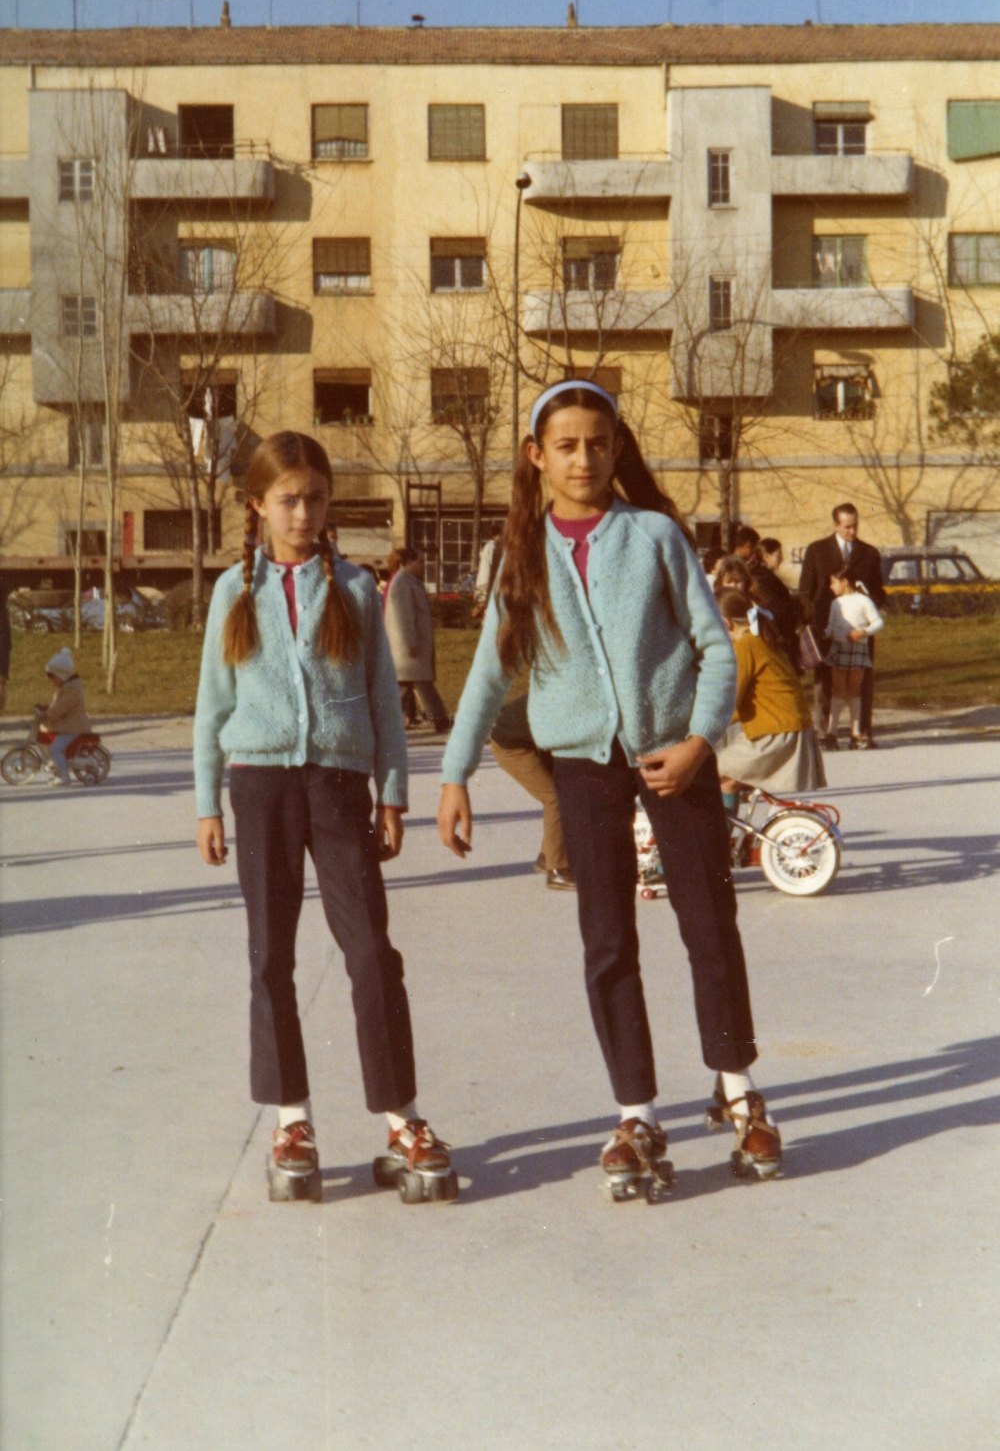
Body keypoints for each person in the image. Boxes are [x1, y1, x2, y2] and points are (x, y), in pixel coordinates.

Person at [437, 378, 782, 1189]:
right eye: (566, 445)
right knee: (607, 938)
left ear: (617, 447)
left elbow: (716, 648)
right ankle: (637, 1110)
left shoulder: (654, 535)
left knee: (708, 922)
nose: (583, 458)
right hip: (584, 767)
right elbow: (491, 674)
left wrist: (699, 743)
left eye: (598, 442)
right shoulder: (521, 557)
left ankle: (739, 1092)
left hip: (675, 758)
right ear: (537, 457)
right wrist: (454, 776)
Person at [194, 431, 453, 1203]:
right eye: (287, 499)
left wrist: (395, 789)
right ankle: (291, 1116)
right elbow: (213, 701)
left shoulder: (356, 585)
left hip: (339, 787)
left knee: (371, 951)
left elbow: (380, 694)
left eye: (314, 498)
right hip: (261, 784)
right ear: (258, 505)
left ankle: (400, 1114)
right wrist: (208, 799)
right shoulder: (231, 591)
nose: (302, 513)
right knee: (270, 954)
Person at [714, 590, 825, 808]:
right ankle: (726, 839)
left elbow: (732, 696)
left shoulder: (746, 645)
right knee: (727, 781)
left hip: (775, 732)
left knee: (707, 772)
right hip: (787, 727)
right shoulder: (762, 638)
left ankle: (719, 840)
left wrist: (702, 727)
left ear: (725, 623)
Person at [799, 503, 885, 748]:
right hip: (828, 625)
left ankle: (861, 733)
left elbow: (879, 591)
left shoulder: (869, 553)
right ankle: (826, 733)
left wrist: (868, 607)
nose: (852, 531)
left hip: (860, 631)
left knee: (862, 681)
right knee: (826, 683)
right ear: (836, 525)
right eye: (847, 526)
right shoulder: (817, 550)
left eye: (855, 525)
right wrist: (813, 621)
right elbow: (806, 589)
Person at [489, 693, 574, 891]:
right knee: (554, 798)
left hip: (529, 741)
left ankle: (548, 856)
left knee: (564, 792)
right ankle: (557, 871)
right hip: (511, 748)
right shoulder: (565, 696)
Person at [383, 547, 450, 733]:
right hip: (409, 646)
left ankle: (394, 721)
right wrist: (410, 643)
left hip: (412, 644)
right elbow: (402, 616)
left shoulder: (409, 581)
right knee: (421, 682)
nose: (423, 565)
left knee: (405, 685)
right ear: (406, 563)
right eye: (419, 561)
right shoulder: (402, 582)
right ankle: (440, 719)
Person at [822, 566, 885, 750]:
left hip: (857, 649)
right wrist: (821, 635)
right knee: (838, 691)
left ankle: (856, 733)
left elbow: (878, 622)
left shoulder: (863, 600)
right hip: (839, 649)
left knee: (854, 691)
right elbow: (831, 627)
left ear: (844, 582)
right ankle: (831, 733)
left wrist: (863, 632)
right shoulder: (836, 603)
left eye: (833, 583)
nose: (831, 587)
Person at [40, 646, 91, 786]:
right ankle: (57, 768)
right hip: (67, 725)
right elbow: (57, 704)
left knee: (55, 748)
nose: (52, 680)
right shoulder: (65, 687)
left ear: (61, 675)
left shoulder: (73, 690)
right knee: (45, 737)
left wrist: (49, 714)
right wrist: (46, 708)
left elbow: (62, 707)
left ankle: (64, 777)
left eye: (53, 677)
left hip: (74, 728)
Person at [472, 522, 504, 620]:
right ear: (496, 535)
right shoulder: (492, 547)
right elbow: (493, 566)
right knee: (486, 602)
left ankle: (481, 618)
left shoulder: (488, 546)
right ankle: (483, 620)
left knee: (484, 602)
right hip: (487, 578)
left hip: (483, 578)